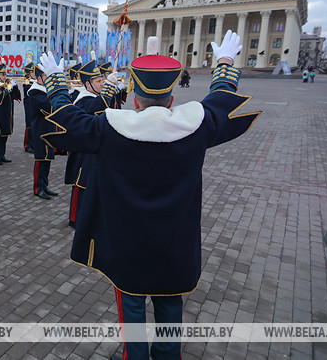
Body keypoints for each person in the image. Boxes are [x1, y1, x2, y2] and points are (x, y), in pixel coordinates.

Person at [37, 31, 260, 360]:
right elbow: (221, 100)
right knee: (171, 300)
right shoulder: (198, 127)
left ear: (135, 100)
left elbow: (67, 117)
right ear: (172, 99)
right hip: (176, 243)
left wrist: (56, 82)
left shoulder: (108, 129)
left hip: (127, 243)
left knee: (131, 302)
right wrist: (225, 64)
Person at [64, 59, 127, 227]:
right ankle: (74, 218)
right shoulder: (82, 100)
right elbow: (95, 106)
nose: (102, 83)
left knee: (92, 183)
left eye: (102, 80)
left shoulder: (96, 96)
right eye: (98, 81)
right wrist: (109, 88)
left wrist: (114, 89)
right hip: (82, 151)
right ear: (87, 84)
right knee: (80, 184)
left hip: (96, 148)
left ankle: (89, 216)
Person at [25, 65, 59, 200]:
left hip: (49, 128)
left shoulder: (45, 90)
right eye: (46, 76)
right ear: (39, 78)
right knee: (41, 159)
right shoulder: (34, 92)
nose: (48, 79)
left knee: (48, 159)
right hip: (40, 130)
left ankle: (45, 185)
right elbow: (48, 107)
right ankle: (38, 188)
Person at [0, 63, 21, 165]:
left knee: (4, 136)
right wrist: (8, 88)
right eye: (2, 75)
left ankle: (2, 155)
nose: (5, 77)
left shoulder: (6, 84)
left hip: (7, 115)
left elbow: (16, 96)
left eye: (5, 74)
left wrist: (15, 87)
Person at [21, 63, 36, 153]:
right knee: (29, 124)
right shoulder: (26, 82)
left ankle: (33, 144)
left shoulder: (35, 81)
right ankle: (27, 145)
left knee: (34, 124)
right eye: (33, 72)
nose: (35, 74)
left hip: (34, 104)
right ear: (29, 73)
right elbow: (28, 92)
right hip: (29, 105)